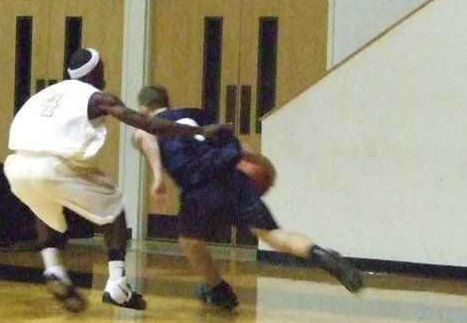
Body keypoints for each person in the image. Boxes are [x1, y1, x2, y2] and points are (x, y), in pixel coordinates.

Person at [4, 49, 231, 313]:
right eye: (102, 69)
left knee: (43, 201)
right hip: (54, 167)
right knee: (115, 208)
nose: (105, 75)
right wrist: (200, 130)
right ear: (92, 73)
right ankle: (117, 284)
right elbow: (150, 125)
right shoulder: (97, 98)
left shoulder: (46, 94)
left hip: (17, 167)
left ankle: (53, 268)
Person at [132, 84, 364, 310]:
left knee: (190, 242)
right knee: (275, 236)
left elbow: (146, 137)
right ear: (166, 102)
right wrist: (265, 165)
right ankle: (319, 254)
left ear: (143, 109)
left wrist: (157, 176)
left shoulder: (148, 126)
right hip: (233, 178)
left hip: (199, 191)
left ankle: (218, 291)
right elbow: (240, 148)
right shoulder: (197, 115)